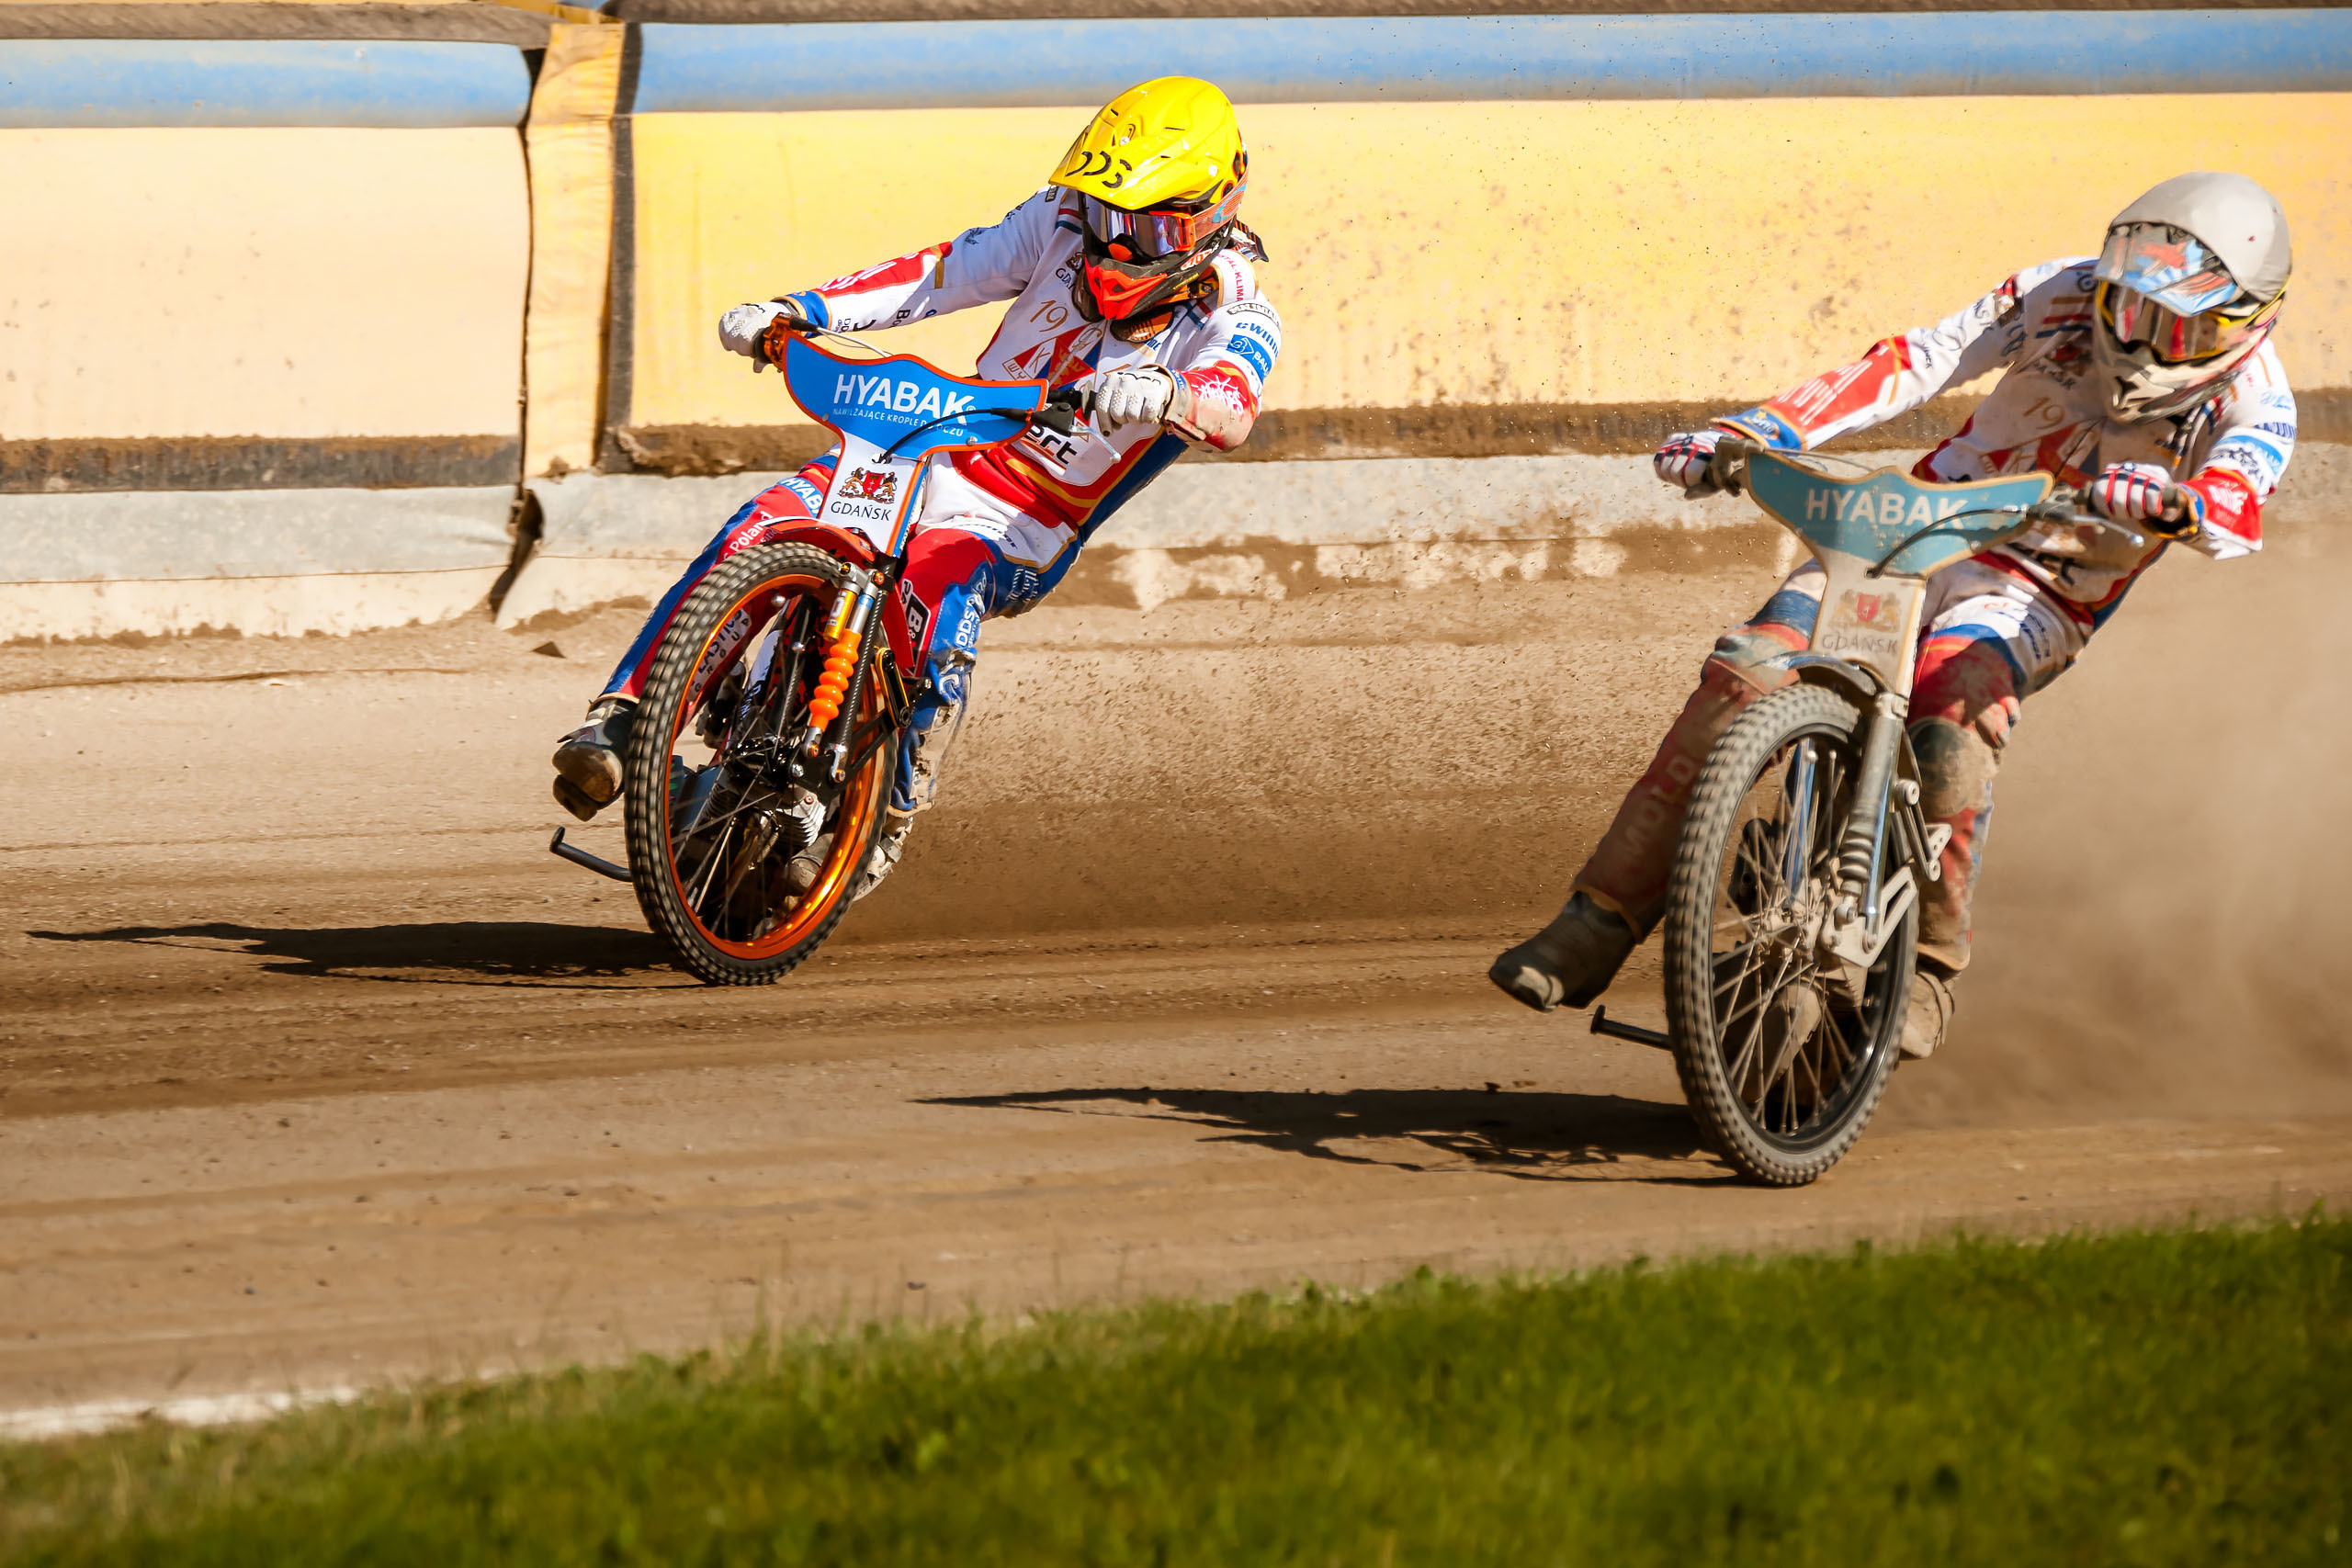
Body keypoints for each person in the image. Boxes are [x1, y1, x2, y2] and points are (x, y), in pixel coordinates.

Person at [1490, 171, 2297, 1059]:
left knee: (1956, 708)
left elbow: (2237, 502)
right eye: (2123, 305)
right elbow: (1913, 360)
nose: (2133, 336)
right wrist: (1751, 432)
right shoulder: (2053, 290)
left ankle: (1929, 971)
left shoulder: (2259, 397)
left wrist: (2175, 503)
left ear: (2241, 322)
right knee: (1746, 669)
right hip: (1919, 521)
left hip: (2041, 580)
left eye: (2169, 325)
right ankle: (1598, 917)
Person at [548, 76, 1281, 897]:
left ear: (1207, 214)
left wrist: (1170, 394)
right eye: (1106, 211)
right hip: (937, 442)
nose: (1112, 240)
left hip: (1025, 519)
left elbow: (1234, 405)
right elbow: (940, 274)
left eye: (1139, 224)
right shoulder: (1061, 218)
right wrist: (800, 308)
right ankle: (628, 717)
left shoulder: (1237, 305)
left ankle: (885, 817)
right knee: (768, 521)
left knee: (935, 587)